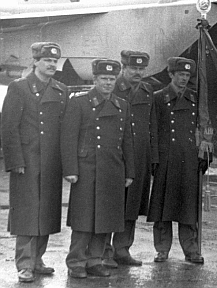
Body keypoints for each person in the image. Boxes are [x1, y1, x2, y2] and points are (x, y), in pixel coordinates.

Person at [61, 59, 135, 279]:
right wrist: (70, 169)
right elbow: (68, 138)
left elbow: (127, 141)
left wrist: (129, 171)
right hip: (87, 168)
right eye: (104, 79)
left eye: (112, 79)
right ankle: (76, 262)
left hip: (113, 169)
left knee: (105, 219)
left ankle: (94, 260)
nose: (108, 83)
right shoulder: (79, 103)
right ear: (95, 79)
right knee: (83, 220)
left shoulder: (122, 105)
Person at [1, 42, 68, 282]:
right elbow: (9, 127)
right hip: (27, 162)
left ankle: (37, 259)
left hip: (51, 162)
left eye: (54, 61)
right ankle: (24, 264)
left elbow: (65, 130)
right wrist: (15, 160)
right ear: (36, 62)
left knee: (47, 212)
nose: (51, 64)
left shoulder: (61, 90)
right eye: (46, 60)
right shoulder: (19, 88)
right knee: (27, 213)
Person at [147, 57, 205, 264]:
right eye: (180, 74)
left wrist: (205, 154)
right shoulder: (158, 97)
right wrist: (154, 158)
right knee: (163, 207)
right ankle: (162, 248)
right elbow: (152, 129)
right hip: (166, 158)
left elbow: (204, 126)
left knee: (188, 206)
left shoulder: (196, 98)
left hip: (189, 158)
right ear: (171, 74)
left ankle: (191, 249)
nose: (184, 78)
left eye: (187, 75)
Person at [102, 50, 155, 267]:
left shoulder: (147, 90)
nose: (138, 72)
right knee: (110, 204)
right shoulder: (112, 87)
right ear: (124, 68)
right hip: (115, 155)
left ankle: (122, 250)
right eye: (134, 68)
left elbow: (152, 125)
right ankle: (104, 251)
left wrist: (154, 158)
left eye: (141, 69)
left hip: (140, 155)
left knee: (132, 205)